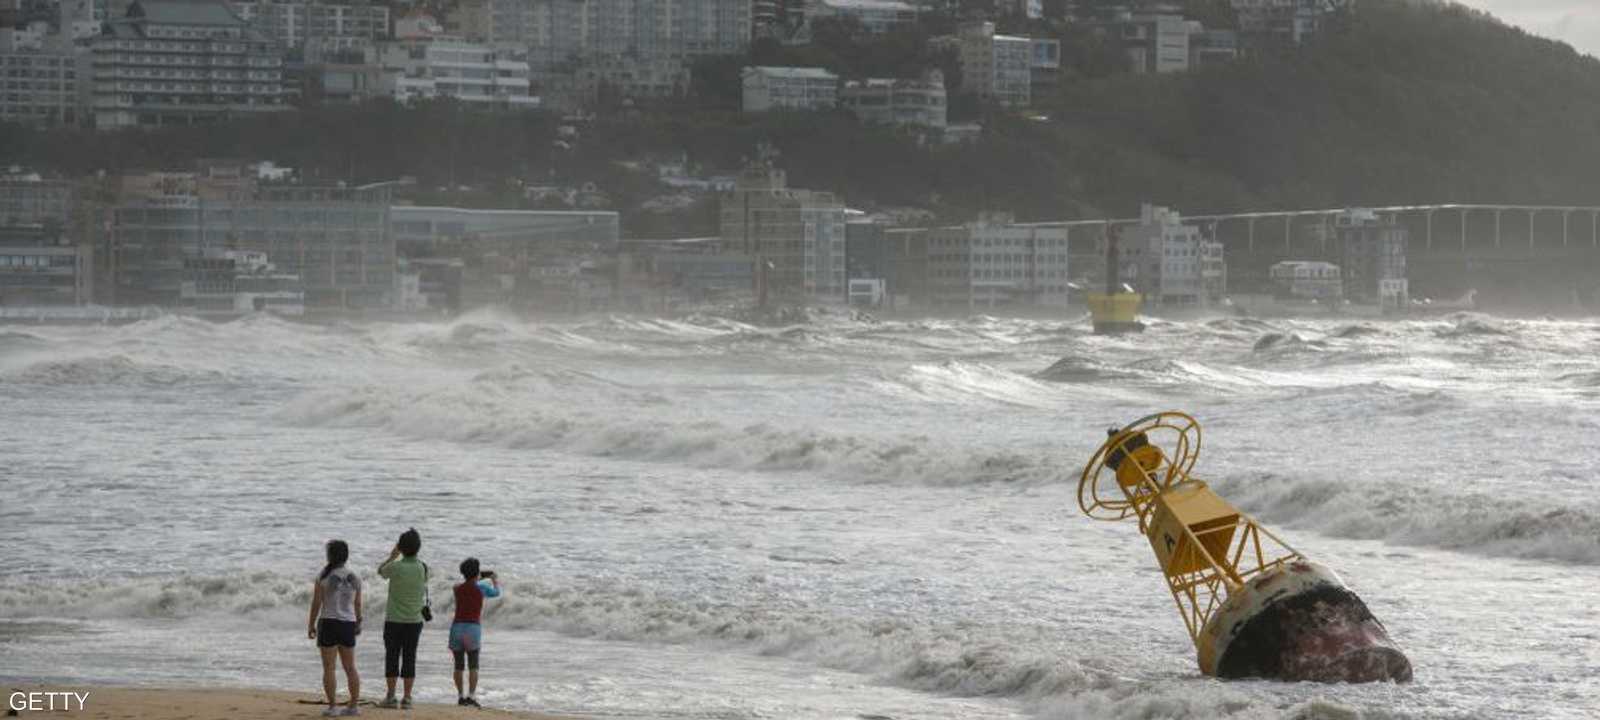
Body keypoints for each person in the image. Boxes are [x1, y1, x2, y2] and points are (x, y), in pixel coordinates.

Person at [308, 540, 362, 717]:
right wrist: (358, 622)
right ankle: (353, 706)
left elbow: (316, 603)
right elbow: (358, 604)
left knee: (329, 668)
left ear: (329, 556)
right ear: (346, 556)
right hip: (348, 624)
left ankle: (333, 707)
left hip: (328, 623)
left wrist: (311, 624)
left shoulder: (322, 577)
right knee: (350, 667)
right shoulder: (355, 577)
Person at [376, 528, 428, 709]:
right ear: (418, 548)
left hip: (394, 620)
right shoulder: (422, 567)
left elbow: (380, 572)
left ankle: (390, 696)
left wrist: (392, 556)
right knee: (409, 656)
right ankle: (407, 698)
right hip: (414, 621)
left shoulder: (396, 566)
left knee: (392, 656)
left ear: (400, 547)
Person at [447, 558, 502, 707]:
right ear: (477, 573)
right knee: (473, 665)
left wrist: (477, 576)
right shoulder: (482, 588)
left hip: (457, 628)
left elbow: (464, 584)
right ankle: (471, 696)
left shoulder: (457, 588)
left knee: (458, 666)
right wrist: (494, 580)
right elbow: (496, 593)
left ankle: (460, 696)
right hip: (472, 630)